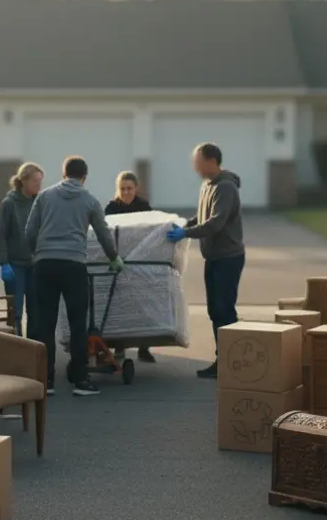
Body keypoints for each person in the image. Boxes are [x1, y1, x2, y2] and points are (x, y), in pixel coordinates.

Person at [25, 155, 124, 397]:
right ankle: (81, 381)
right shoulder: (89, 200)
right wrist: (114, 257)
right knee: (78, 324)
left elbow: (30, 231)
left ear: (63, 174)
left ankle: (46, 380)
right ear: (84, 177)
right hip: (73, 266)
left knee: (44, 324)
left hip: (45, 266)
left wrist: (37, 253)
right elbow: (103, 233)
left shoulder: (45, 196)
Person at [166, 143, 244, 379]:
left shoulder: (226, 187)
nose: (194, 166)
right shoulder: (207, 185)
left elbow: (215, 223)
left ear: (211, 161)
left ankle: (231, 362)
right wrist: (184, 225)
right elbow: (202, 217)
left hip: (228, 257)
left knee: (224, 310)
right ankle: (223, 360)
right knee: (214, 310)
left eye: (197, 161)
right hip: (213, 257)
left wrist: (185, 234)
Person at [104, 171, 156, 364]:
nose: (126, 192)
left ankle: (144, 347)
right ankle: (120, 348)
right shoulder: (111, 208)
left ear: (136, 189)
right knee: (120, 305)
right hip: (118, 261)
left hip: (140, 260)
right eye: (122, 189)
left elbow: (151, 233)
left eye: (129, 189)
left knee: (141, 304)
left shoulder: (144, 207)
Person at [0, 162, 43, 336]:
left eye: (40, 181)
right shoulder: (9, 204)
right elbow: (1, 235)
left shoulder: (39, 202)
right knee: (15, 312)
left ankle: (33, 351)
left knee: (36, 312)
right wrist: (4, 262)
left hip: (35, 265)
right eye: (35, 181)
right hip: (15, 265)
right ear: (24, 181)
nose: (39, 185)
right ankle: (17, 348)